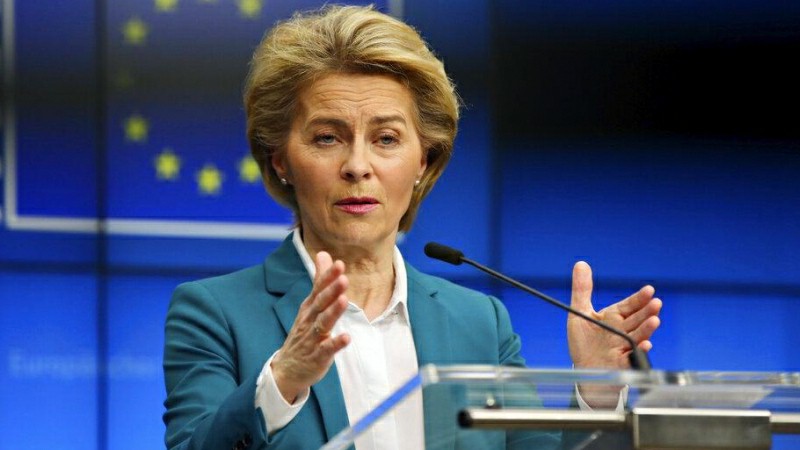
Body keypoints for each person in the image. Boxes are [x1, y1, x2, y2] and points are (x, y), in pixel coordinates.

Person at [162, 5, 662, 450]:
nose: (358, 166)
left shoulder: (480, 322)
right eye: (327, 137)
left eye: (386, 138)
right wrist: (281, 381)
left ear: (423, 160)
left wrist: (596, 390)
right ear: (280, 161)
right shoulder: (215, 313)